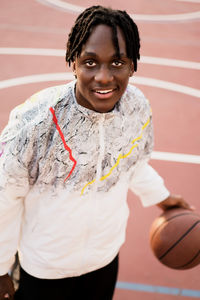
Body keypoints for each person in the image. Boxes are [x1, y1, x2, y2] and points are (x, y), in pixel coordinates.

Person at [0, 5, 193, 300]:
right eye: (91, 62)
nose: (103, 77)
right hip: (45, 268)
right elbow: (5, 197)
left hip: (104, 258)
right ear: (73, 62)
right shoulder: (34, 123)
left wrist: (162, 198)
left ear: (133, 65)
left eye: (117, 62)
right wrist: (1, 268)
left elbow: (133, 163)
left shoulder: (136, 107)